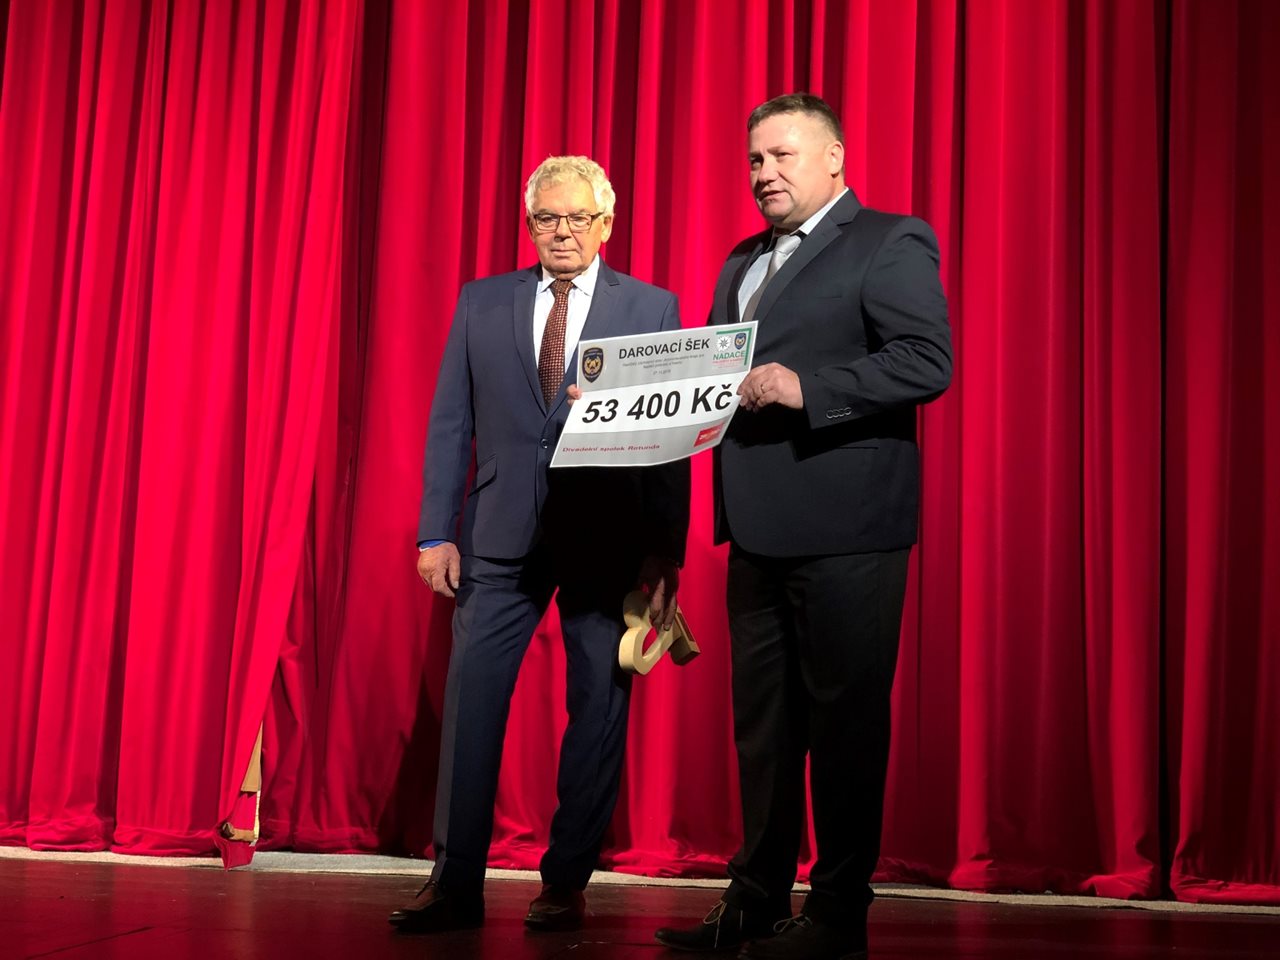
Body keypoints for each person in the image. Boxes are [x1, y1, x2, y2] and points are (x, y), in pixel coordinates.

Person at [655, 94, 951, 958]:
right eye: (755, 159)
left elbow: (927, 360)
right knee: (766, 731)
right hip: (754, 527)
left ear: (834, 159)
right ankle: (754, 899)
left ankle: (836, 916)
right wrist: (618, 401)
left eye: (782, 155)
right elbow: (713, 375)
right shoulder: (741, 259)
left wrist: (809, 388)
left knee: (845, 728)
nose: (764, 173)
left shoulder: (890, 240)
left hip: (849, 530)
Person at [391, 156, 689, 935]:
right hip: (497, 538)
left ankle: (565, 883)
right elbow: (450, 424)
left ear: (606, 224)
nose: (562, 231)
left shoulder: (652, 308)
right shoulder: (481, 302)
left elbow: (671, 441)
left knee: (598, 711)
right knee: (472, 708)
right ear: (529, 225)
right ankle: (453, 884)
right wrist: (435, 532)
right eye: (547, 218)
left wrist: (665, 551)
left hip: (607, 541)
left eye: (577, 217)